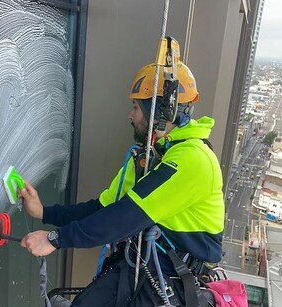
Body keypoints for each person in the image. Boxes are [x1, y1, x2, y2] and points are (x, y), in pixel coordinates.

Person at [19, 39, 224, 307]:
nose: (130, 115)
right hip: (147, 268)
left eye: (137, 108)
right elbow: (103, 209)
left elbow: (125, 217)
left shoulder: (193, 161)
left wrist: (56, 239)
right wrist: (44, 212)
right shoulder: (153, 155)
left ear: (158, 112)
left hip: (170, 280)